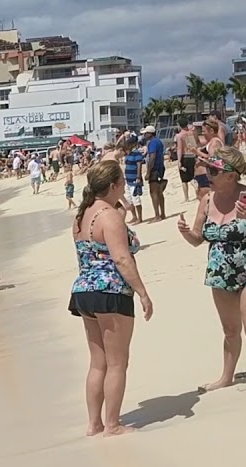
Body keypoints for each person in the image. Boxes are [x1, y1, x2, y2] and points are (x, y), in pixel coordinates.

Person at [177, 147, 246, 399]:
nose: (208, 174)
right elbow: (198, 239)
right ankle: (226, 377)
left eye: (214, 170)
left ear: (231, 175)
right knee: (230, 330)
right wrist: (185, 232)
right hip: (221, 273)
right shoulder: (207, 200)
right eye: (208, 169)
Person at [68, 160, 152, 436]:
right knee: (117, 362)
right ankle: (113, 425)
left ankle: (94, 423)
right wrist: (142, 292)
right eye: (122, 183)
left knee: (98, 362)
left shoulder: (81, 216)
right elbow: (121, 258)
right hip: (111, 290)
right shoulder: (109, 216)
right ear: (114, 185)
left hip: (84, 290)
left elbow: (88, 257)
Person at [141, 125, 167, 221]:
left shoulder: (152, 143)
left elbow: (152, 157)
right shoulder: (158, 141)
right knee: (159, 192)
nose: (144, 135)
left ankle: (157, 215)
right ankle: (162, 213)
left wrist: (148, 172)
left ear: (149, 134)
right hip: (160, 168)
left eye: (145, 134)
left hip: (155, 169)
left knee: (154, 192)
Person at [175, 118, 198, 202]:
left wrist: (179, 161)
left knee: (184, 179)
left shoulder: (179, 135)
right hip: (192, 155)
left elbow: (179, 149)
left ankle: (186, 198)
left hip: (185, 156)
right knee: (192, 175)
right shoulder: (191, 133)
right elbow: (195, 143)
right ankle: (197, 191)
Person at [122, 139, 145, 224]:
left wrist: (138, 176)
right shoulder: (128, 155)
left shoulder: (137, 154)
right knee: (129, 199)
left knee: (136, 199)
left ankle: (140, 217)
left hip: (135, 179)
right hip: (128, 179)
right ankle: (134, 216)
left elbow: (139, 165)